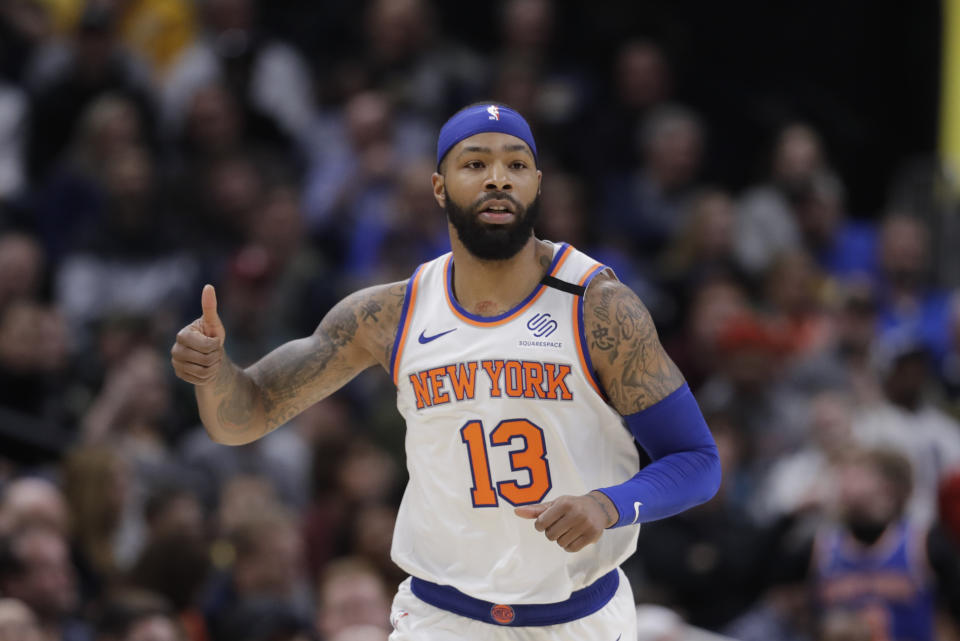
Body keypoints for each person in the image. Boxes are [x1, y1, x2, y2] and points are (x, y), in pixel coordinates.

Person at [171, 102, 722, 640]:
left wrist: (609, 505)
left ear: (537, 184)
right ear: (439, 187)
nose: (498, 179)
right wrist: (211, 372)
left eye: (516, 164)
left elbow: (696, 460)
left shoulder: (597, 307)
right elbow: (244, 416)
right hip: (442, 616)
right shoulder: (388, 315)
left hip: (581, 616)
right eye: (476, 163)